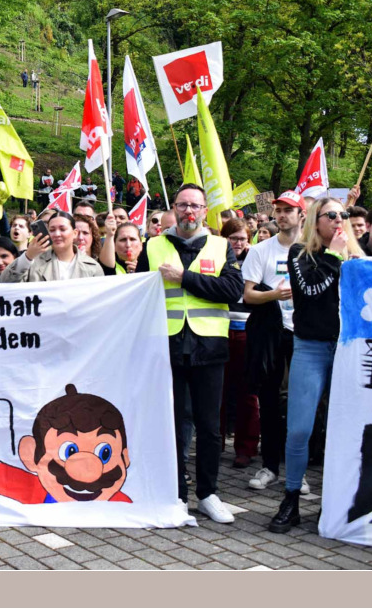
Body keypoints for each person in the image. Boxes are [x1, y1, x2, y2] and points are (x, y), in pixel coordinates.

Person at [137, 183, 244, 523]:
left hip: (209, 348)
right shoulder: (152, 246)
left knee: (210, 426)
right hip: (166, 346)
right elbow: (136, 294)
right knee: (172, 425)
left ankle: (208, 493)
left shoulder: (221, 245)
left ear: (204, 210)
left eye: (195, 206)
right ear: (174, 208)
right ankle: (176, 495)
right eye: (183, 205)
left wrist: (185, 278)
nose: (188, 212)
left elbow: (232, 290)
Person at [268, 197, 363, 533]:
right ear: (315, 221)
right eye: (331, 215)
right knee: (299, 429)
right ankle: (291, 498)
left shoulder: (357, 258)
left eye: (343, 214)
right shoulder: (299, 254)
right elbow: (309, 290)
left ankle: (338, 501)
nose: (339, 219)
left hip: (348, 350)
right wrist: (335, 257)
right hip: (309, 348)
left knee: (346, 430)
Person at [242, 191, 305, 493]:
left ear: (301, 215)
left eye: (288, 210)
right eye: (278, 210)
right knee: (268, 400)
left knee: (299, 404)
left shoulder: (312, 251)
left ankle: (296, 469)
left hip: (305, 335)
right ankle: (269, 466)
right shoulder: (260, 250)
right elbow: (248, 295)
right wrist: (274, 295)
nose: (281, 215)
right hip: (270, 335)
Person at [219, 218, 256, 468]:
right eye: (234, 238)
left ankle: (246, 448)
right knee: (218, 392)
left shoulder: (255, 261)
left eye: (243, 238)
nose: (239, 243)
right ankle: (216, 444)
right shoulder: (218, 261)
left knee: (247, 393)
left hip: (247, 333)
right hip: (220, 331)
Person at [1, 212, 104, 282]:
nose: (57, 234)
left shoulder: (92, 267)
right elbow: (6, 281)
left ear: (74, 233)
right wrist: (27, 256)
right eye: (52, 230)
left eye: (62, 229)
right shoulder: (34, 262)